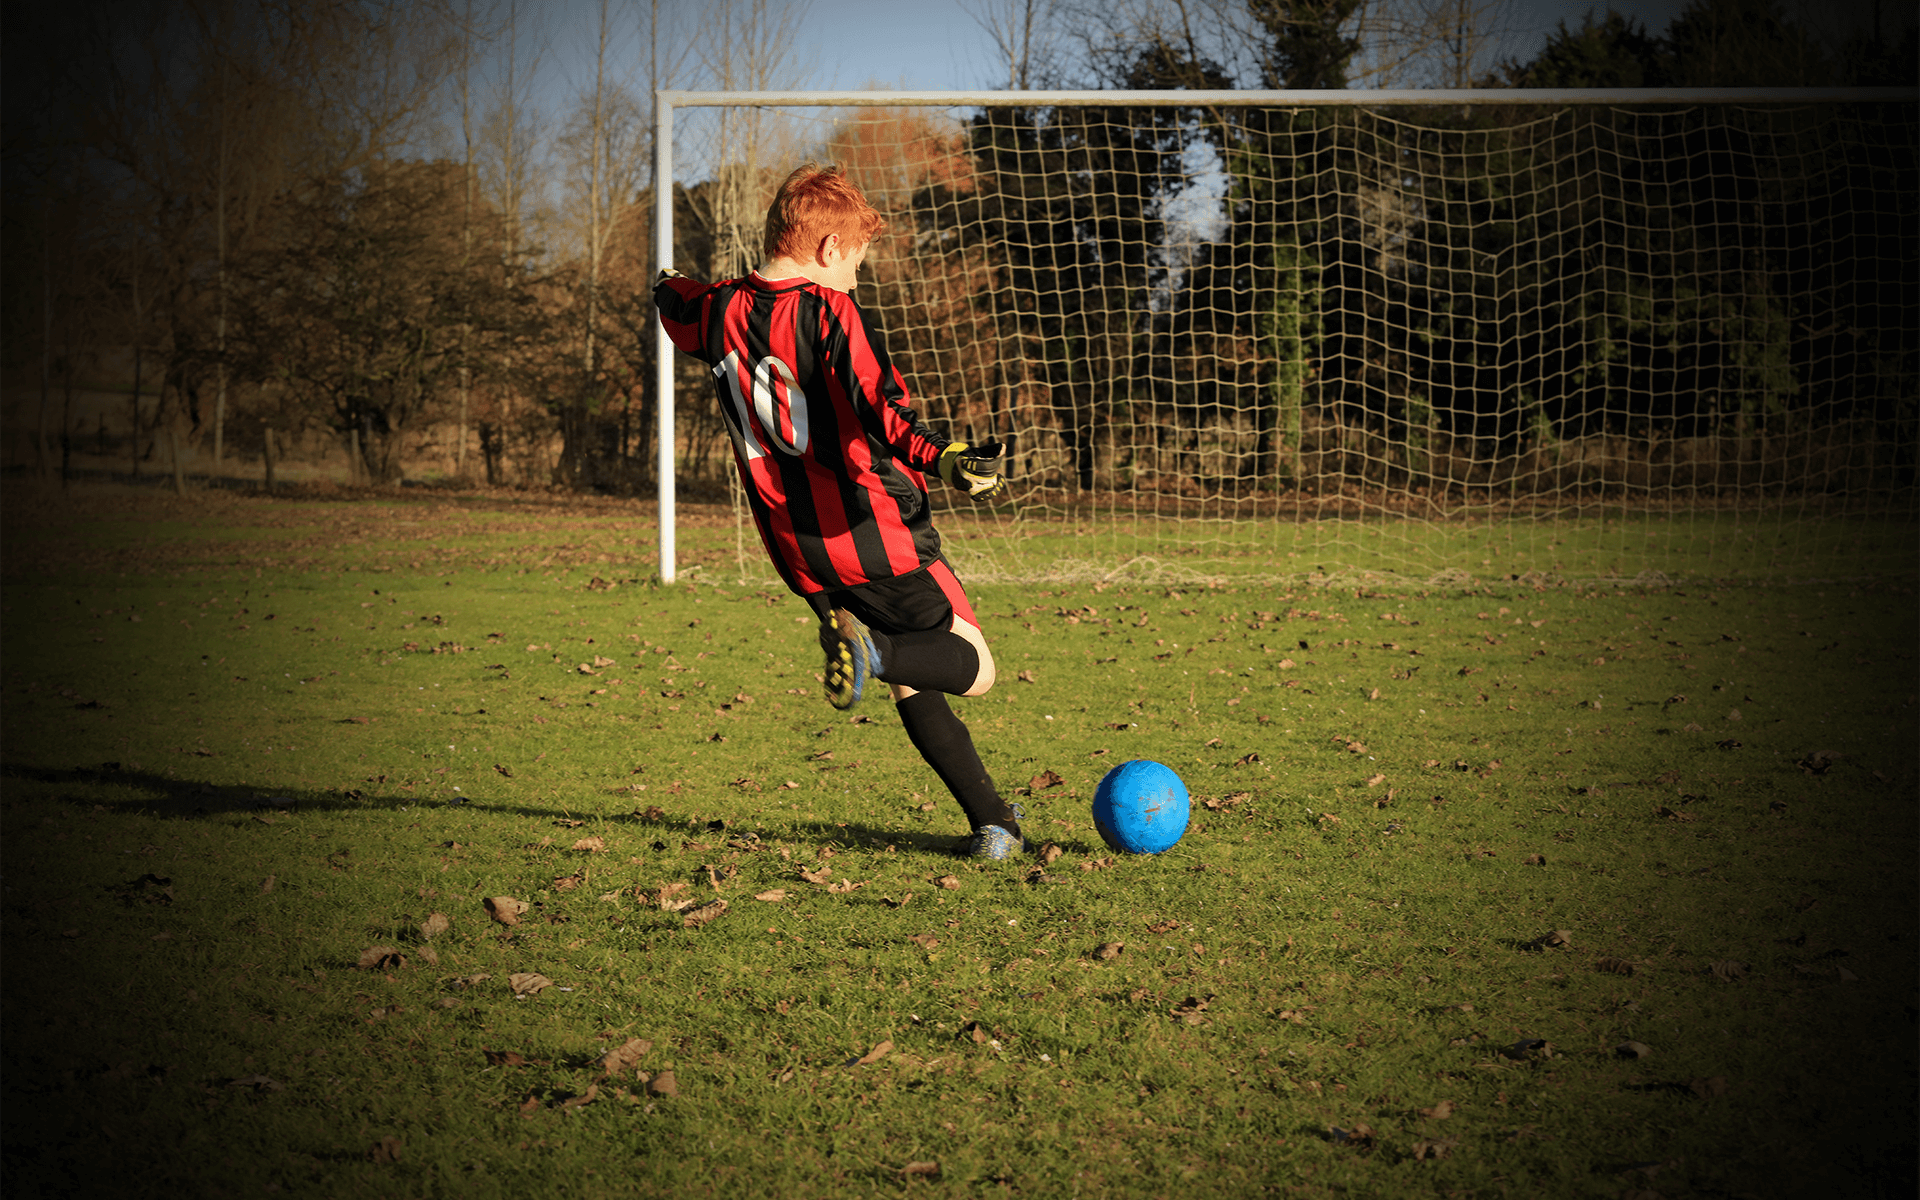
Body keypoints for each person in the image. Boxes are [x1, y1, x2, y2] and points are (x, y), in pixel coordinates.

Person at [654, 163, 1027, 860]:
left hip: (798, 552)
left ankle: (994, 824)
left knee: (914, 677)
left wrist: (666, 283)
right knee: (975, 668)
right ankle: (874, 652)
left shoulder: (716, 310)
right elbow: (883, 412)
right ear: (828, 250)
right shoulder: (829, 312)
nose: (858, 273)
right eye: (856, 257)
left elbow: (674, 302)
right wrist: (946, 458)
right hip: (870, 534)